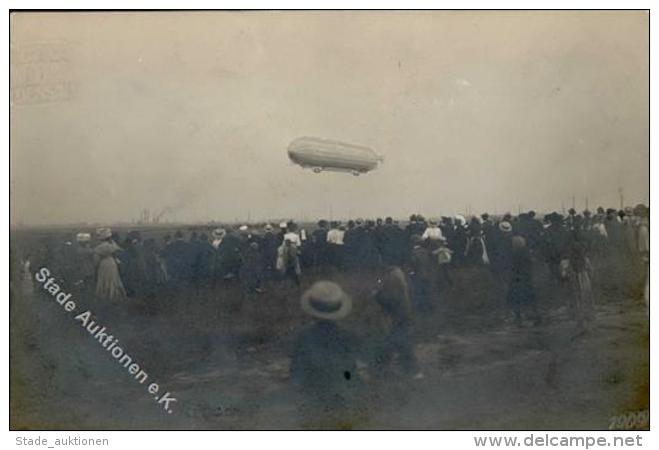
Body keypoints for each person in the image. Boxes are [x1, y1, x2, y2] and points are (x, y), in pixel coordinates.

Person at [289, 281, 365, 428]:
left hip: (314, 401)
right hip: (342, 400)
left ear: (312, 312)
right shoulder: (347, 337)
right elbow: (351, 372)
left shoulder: (303, 337)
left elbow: (296, 374)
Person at [373, 265, 423, 380]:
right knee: (395, 343)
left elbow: (390, 300)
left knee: (399, 344)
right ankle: (383, 369)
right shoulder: (400, 281)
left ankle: (413, 370)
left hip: (398, 319)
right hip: (402, 317)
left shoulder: (393, 280)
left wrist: (377, 295)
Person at [507, 235, 539, 326]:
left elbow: (513, 267)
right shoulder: (526, 253)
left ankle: (518, 317)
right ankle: (535, 314)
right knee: (530, 297)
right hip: (527, 278)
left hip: (517, 279)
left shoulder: (514, 254)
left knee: (516, 298)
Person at [94, 227, 127, 302]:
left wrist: (96, 266)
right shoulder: (112, 246)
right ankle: (114, 295)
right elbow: (119, 250)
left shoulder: (98, 248)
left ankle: (104, 295)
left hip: (103, 264)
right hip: (112, 263)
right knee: (113, 279)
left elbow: (96, 260)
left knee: (103, 279)